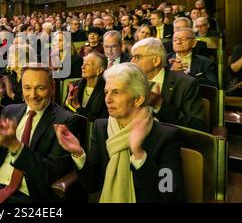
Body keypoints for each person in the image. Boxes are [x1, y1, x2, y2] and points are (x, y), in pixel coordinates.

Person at [55, 62, 184, 203]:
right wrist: (78, 153)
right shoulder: (101, 128)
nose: (108, 99)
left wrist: (139, 155)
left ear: (138, 99)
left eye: (116, 92)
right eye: (106, 92)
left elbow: (169, 193)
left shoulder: (166, 137)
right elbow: (92, 185)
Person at [0, 64, 78, 203]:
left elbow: (50, 174)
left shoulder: (66, 120)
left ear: (52, 87)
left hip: (29, 196)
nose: (33, 95)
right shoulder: (9, 111)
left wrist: (15, 146)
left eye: (40, 88)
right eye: (27, 88)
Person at [131, 37, 206, 131]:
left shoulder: (186, 84)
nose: (131, 62)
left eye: (137, 57)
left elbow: (197, 126)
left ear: (156, 61)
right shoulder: (130, 82)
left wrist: (160, 105)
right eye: (132, 57)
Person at [64, 53, 108, 121]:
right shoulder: (75, 85)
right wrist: (68, 102)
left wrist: (78, 107)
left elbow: (100, 122)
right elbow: (64, 112)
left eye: (87, 64)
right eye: (83, 63)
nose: (82, 67)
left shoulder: (106, 90)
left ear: (99, 70)